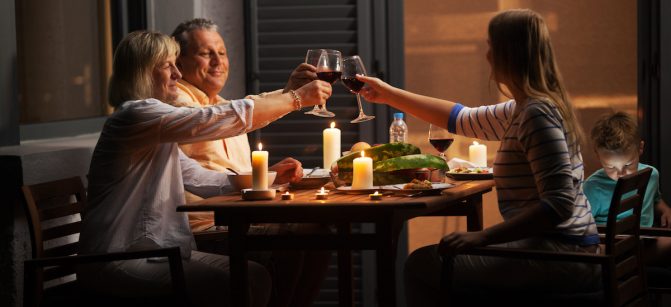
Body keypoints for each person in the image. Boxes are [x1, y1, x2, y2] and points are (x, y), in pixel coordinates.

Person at [356, 9, 601, 305]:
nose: (487, 56)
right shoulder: (524, 108)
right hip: (561, 248)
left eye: (490, 46)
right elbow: (461, 119)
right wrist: (388, 94)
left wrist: (484, 237)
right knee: (431, 261)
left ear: (509, 53)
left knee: (422, 265)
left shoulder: (536, 114)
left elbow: (558, 205)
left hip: (561, 255)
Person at [77, 30, 331, 307]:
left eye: (176, 63)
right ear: (143, 72)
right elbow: (213, 119)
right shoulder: (136, 115)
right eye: (167, 65)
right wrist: (294, 99)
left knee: (256, 277)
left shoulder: (154, 126)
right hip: (119, 259)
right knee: (233, 283)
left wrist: (266, 177)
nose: (176, 73)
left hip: (158, 252)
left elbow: (199, 178)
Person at [168, 18, 330, 307]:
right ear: (178, 61)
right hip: (206, 230)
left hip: (238, 220)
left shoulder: (216, 102)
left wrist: (267, 175)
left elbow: (235, 118)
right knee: (305, 233)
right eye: (206, 53)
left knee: (315, 229)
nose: (218, 61)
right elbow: (231, 117)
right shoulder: (177, 103)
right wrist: (293, 97)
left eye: (222, 52)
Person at [584, 111, 671, 265]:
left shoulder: (651, 175)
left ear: (640, 148)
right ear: (598, 155)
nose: (620, 174)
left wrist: (666, 210)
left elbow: (655, 200)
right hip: (610, 248)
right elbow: (583, 228)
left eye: (628, 165)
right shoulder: (592, 187)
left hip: (644, 242)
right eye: (610, 167)